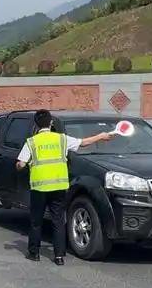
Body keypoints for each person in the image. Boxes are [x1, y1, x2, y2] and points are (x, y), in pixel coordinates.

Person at [16, 110, 114, 264]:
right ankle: (59, 256)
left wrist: (21, 165)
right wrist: (101, 136)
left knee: (36, 221)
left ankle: (34, 253)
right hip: (59, 186)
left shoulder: (31, 142)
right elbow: (83, 142)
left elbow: (20, 163)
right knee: (58, 221)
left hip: (39, 188)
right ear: (51, 123)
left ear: (36, 125)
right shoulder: (62, 139)